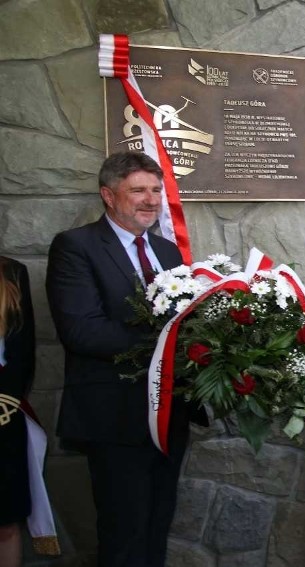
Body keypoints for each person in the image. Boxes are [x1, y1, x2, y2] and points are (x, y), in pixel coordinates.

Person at [46, 151, 199, 567]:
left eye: (155, 190)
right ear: (108, 196)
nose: (151, 200)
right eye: (138, 191)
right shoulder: (75, 247)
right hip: (113, 415)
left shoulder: (168, 252)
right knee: (123, 531)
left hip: (169, 415)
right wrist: (170, 343)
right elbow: (81, 330)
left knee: (156, 524)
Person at [0, 257, 35, 567]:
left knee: (6, 519)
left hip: (2, 417)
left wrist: (5, 403)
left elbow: (24, 353)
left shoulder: (11, 272)